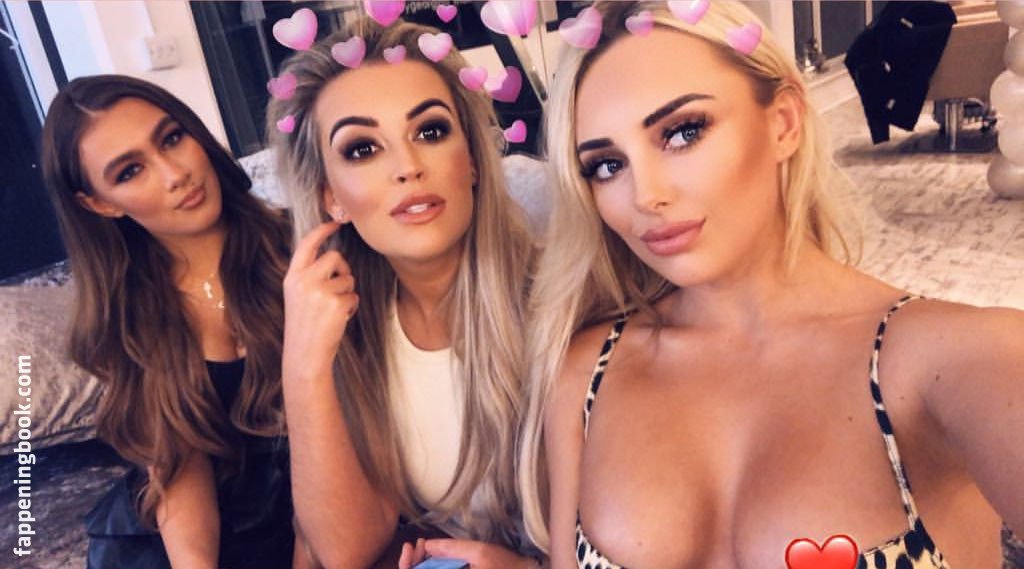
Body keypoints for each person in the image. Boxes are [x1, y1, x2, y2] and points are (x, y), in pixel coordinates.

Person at [518, 2, 1024, 568]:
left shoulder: (951, 359)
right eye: (607, 165)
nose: (646, 195)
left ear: (783, 123)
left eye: (683, 132)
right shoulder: (585, 371)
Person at [265, 17, 539, 569]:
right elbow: (347, 551)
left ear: (472, 160)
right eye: (363, 149)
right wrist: (303, 367)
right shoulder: (348, 333)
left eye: (431, 132)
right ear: (331, 198)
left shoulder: (565, 305)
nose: (408, 168)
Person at [40, 74, 305, 569]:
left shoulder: (304, 248)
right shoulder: (130, 316)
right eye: (130, 171)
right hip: (199, 538)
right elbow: (180, 474)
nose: (175, 173)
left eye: (171, 138)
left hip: (334, 514)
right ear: (99, 203)